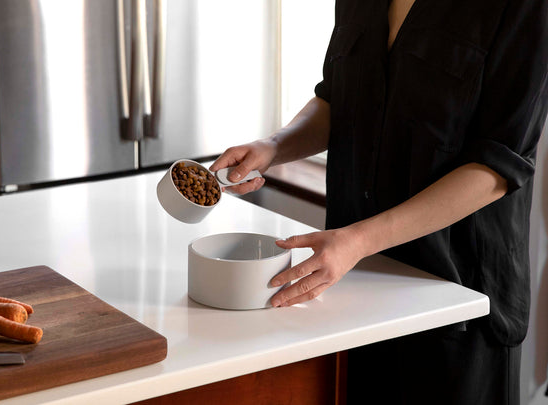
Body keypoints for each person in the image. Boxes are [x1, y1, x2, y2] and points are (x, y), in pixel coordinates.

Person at [209, 0, 548, 404]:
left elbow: (498, 167)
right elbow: (336, 100)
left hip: (458, 297)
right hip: (355, 287)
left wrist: (358, 240)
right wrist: (272, 147)